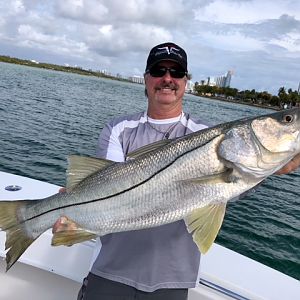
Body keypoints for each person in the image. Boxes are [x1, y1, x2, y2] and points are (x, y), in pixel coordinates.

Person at [55, 42, 300, 300]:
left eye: (177, 73)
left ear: (186, 81)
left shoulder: (204, 132)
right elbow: (105, 188)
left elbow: (231, 190)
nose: (167, 79)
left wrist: (268, 171)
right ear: (146, 78)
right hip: (110, 270)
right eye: (159, 70)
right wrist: (71, 215)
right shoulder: (118, 128)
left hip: (172, 278)